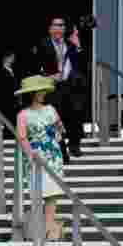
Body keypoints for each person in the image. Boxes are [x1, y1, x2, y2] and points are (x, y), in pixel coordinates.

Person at [16, 75, 66, 241]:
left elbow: (60, 128)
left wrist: (57, 134)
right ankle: (42, 228)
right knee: (38, 193)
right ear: (32, 94)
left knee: (52, 193)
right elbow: (22, 137)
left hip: (53, 155)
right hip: (35, 156)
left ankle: (50, 228)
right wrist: (30, 154)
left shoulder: (51, 109)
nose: (42, 94)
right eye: (39, 91)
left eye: (43, 91)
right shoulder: (23, 115)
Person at [34, 16, 85, 159]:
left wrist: (78, 47)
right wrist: (48, 76)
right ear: (50, 29)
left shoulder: (70, 44)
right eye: (56, 25)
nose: (59, 28)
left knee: (75, 114)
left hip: (70, 86)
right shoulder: (42, 44)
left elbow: (81, 65)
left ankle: (74, 145)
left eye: (62, 25)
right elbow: (35, 66)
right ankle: (61, 151)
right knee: (55, 119)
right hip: (52, 87)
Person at [0, 50, 21, 139]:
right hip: (6, 102)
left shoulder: (12, 71)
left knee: (12, 122)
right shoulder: (0, 72)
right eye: (12, 58)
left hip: (14, 102)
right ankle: (6, 138)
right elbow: (0, 89)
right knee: (7, 122)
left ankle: (11, 137)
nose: (13, 60)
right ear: (6, 58)